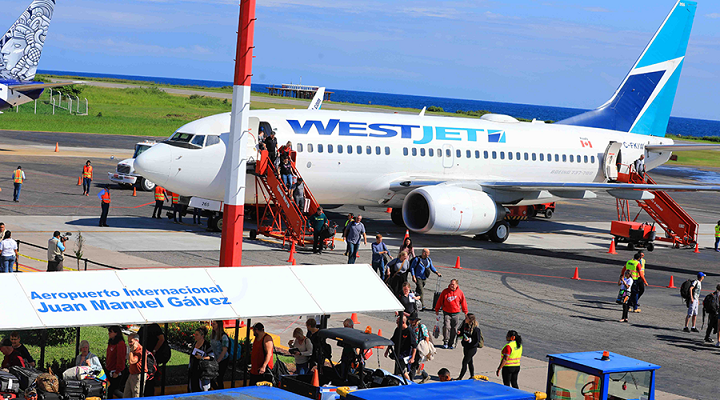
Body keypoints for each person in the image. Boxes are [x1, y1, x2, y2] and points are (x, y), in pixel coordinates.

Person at [138, 323, 170, 396]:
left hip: (151, 357)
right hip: (144, 355)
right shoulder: (143, 327)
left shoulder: (154, 327)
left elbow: (161, 339)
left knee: (150, 375)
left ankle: (149, 394)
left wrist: (154, 351)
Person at [435, 279, 468, 349]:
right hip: (447, 313)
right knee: (447, 327)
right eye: (451, 284)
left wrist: (465, 312)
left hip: (456, 313)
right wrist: (437, 309)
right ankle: (445, 341)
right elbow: (440, 300)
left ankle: (451, 343)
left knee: (454, 329)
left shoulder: (460, 293)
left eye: (453, 284)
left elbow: (463, 302)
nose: (451, 285)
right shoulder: (445, 291)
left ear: (456, 285)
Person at [385, 314, 416, 381]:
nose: (396, 324)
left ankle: (410, 384)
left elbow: (414, 346)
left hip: (404, 355)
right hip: (397, 353)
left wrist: (413, 358)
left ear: (403, 322)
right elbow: (392, 340)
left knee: (402, 370)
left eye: (397, 322)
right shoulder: (397, 330)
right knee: (398, 370)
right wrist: (387, 350)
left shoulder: (409, 331)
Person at [457, 313, 483, 380]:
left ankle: (460, 377)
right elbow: (462, 333)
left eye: (466, 318)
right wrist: (459, 333)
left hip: (472, 348)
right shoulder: (465, 325)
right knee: (470, 362)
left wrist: (469, 340)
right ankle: (472, 376)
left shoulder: (476, 329)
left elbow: (477, 340)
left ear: (470, 320)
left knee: (465, 362)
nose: (465, 319)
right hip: (466, 346)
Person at [188, 327, 214, 392]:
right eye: (195, 334)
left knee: (202, 389)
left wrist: (202, 358)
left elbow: (212, 357)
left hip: (202, 372)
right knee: (193, 389)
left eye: (197, 334)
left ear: (202, 336)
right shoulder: (194, 344)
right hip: (193, 370)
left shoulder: (207, 345)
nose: (195, 336)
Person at [105, 326, 127, 399]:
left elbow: (121, 358)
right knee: (108, 390)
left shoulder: (120, 344)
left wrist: (117, 371)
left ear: (116, 333)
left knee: (113, 390)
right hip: (109, 369)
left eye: (111, 332)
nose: (109, 334)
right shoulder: (111, 342)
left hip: (116, 371)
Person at [408, 314, 430, 383]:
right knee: (417, 364)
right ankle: (425, 375)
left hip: (419, 348)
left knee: (414, 364)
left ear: (416, 320)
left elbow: (426, 337)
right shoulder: (410, 326)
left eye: (412, 320)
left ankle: (410, 379)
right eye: (410, 320)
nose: (410, 321)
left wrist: (426, 347)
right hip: (412, 347)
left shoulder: (422, 326)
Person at [124, 333, 146, 398]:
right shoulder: (134, 349)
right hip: (131, 374)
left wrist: (131, 351)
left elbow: (131, 361)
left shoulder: (140, 351)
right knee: (126, 395)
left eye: (131, 342)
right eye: (128, 341)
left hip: (138, 376)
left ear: (137, 341)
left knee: (136, 395)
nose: (129, 344)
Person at [209, 321, 230, 389]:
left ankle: (220, 392)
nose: (212, 325)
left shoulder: (223, 337)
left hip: (223, 360)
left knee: (219, 378)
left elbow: (224, 351)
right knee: (210, 376)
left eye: (214, 324)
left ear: (219, 325)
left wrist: (218, 361)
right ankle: (217, 390)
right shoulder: (213, 335)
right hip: (215, 359)